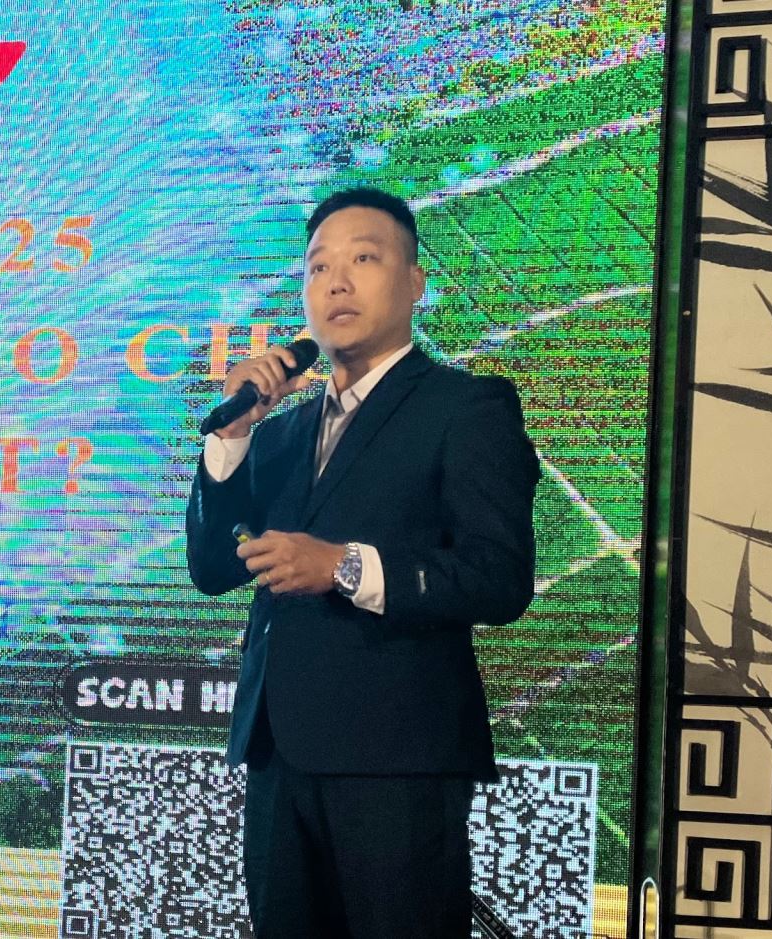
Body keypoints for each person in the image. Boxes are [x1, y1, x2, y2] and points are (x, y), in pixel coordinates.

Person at [185, 186, 540, 936]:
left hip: (398, 763)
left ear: (415, 283)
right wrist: (233, 434)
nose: (336, 282)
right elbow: (214, 568)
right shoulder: (280, 435)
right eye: (318, 268)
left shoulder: (467, 408)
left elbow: (498, 577)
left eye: (363, 260)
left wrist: (345, 566)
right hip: (277, 755)